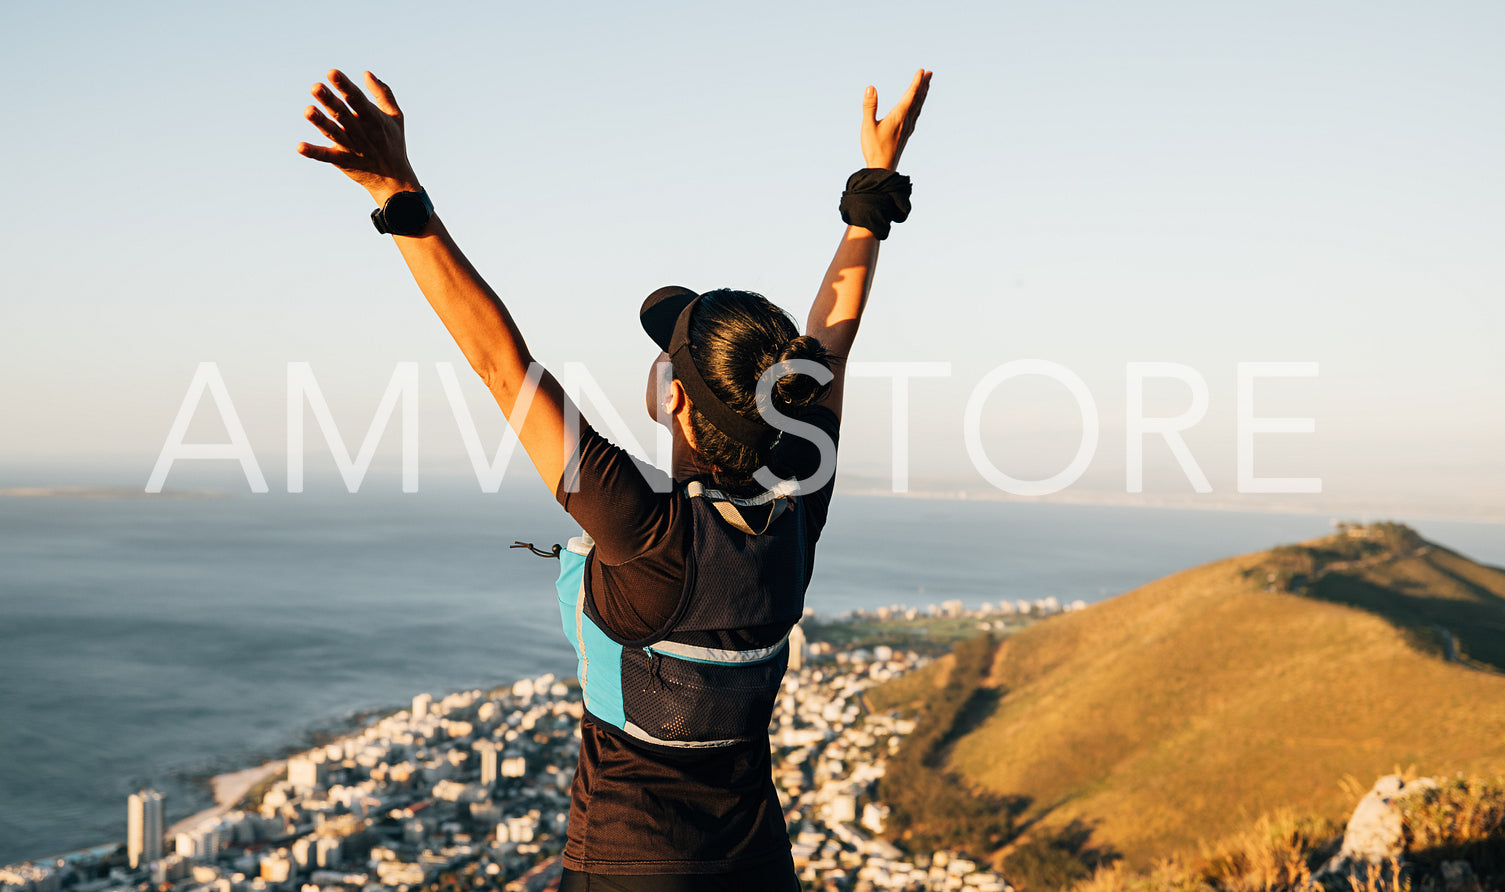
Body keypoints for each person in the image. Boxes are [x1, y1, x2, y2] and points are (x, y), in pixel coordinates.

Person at [297, 66, 932, 891]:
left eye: (662, 348)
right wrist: (869, 203)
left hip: (630, 870)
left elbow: (499, 363)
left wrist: (398, 189)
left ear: (670, 394)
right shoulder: (795, 504)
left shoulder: (650, 532)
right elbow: (828, 346)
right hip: (755, 864)